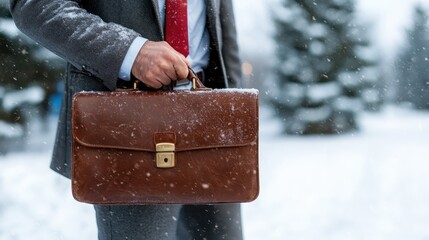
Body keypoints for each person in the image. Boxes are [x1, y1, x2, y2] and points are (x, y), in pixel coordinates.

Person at [9, 0, 243, 239]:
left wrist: (239, 117)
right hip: (127, 125)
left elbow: (224, 30)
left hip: (211, 117)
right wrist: (131, 52)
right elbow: (35, 5)